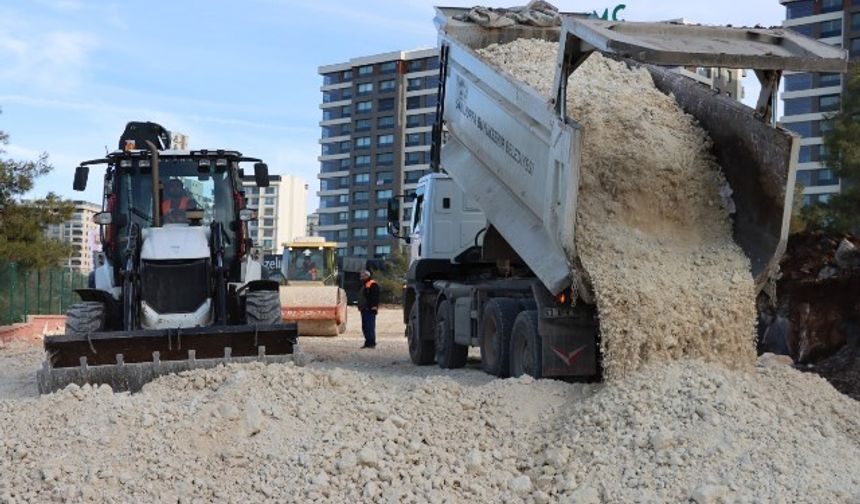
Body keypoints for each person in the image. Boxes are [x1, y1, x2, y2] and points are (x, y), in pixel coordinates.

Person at [357, 270, 379, 349]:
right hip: (364, 309)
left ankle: (371, 343)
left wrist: (374, 306)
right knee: (365, 327)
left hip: (369, 309)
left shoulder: (373, 284)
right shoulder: (365, 284)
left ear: (367, 276)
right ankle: (367, 342)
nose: (361, 277)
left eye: (362, 276)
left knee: (370, 327)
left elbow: (375, 296)